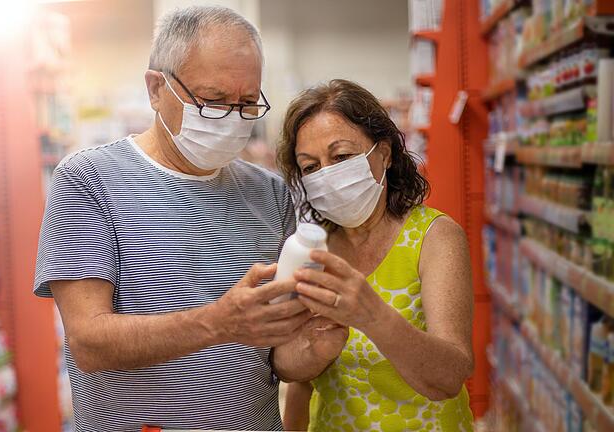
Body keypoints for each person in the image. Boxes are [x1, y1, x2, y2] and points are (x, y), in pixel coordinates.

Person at [33, 6, 346, 431]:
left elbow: (276, 354)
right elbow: (89, 342)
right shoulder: (88, 181)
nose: (233, 118)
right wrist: (219, 322)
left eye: (247, 103)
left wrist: (313, 344)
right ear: (156, 89)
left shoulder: (269, 192)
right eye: (214, 100)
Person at [276, 79, 475, 432]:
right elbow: (294, 377)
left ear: (383, 154)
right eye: (310, 167)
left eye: (341, 157)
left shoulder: (433, 237)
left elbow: (450, 377)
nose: (327, 175)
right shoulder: (313, 250)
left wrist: (372, 316)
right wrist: (312, 351)